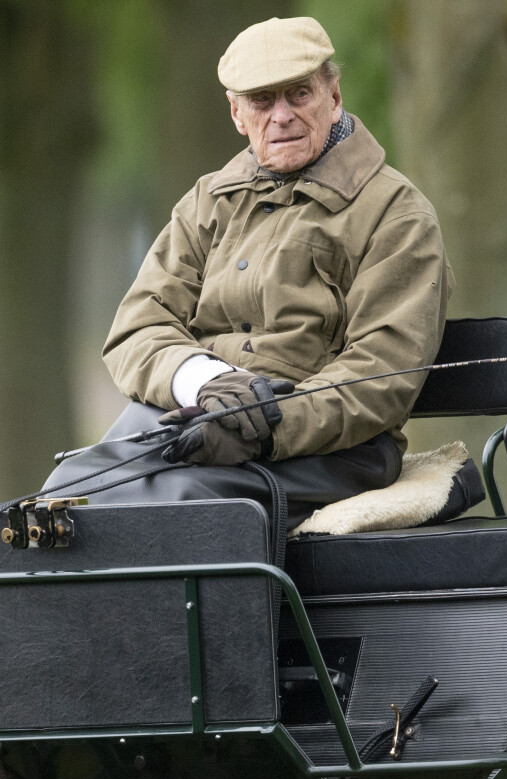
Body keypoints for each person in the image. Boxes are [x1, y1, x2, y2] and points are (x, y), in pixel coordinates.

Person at [45, 17, 455, 530]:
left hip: (335, 450)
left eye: (299, 94)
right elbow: (138, 327)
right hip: (188, 420)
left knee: (175, 505)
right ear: (237, 114)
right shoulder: (207, 201)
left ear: (333, 96)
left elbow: (381, 374)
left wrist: (262, 421)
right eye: (262, 102)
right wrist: (204, 382)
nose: (281, 116)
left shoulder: (397, 215)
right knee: (62, 498)